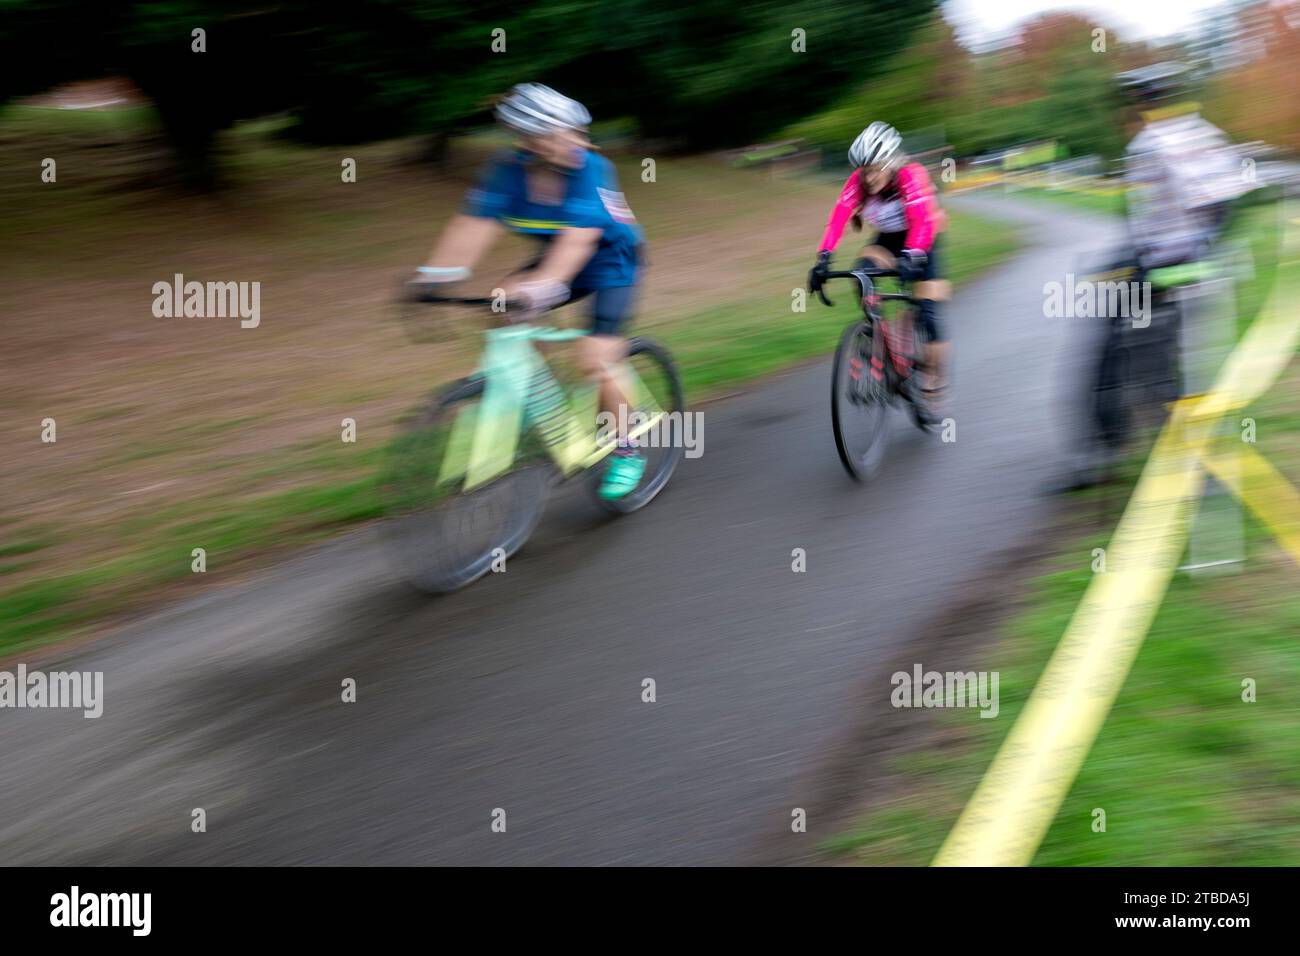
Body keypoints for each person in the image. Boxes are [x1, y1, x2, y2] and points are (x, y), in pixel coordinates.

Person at [416, 83, 647, 499]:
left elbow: (579, 239)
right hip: (560, 257)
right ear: (528, 140)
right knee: (502, 302)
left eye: (575, 132)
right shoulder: (508, 171)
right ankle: (540, 400)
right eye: (558, 136)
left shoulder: (591, 169)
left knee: (596, 359)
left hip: (612, 262)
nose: (574, 143)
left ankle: (627, 450)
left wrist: (546, 288)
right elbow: (473, 224)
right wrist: (434, 277)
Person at [808, 121, 950, 409]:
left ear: (891, 162)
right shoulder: (858, 182)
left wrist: (912, 256)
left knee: (928, 314)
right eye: (865, 170)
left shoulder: (910, 175)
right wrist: (823, 259)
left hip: (925, 240)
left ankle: (935, 376)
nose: (869, 177)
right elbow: (837, 219)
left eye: (875, 168)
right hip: (888, 240)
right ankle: (879, 334)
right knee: (860, 275)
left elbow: (922, 222)